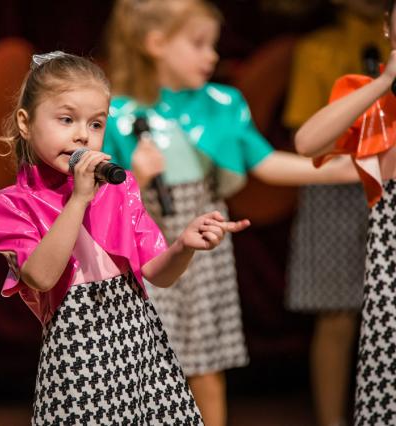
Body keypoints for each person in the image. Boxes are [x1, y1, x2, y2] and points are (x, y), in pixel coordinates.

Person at [103, 1, 358, 425]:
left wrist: (348, 170)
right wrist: (136, 177)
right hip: (143, 246)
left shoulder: (223, 103)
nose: (212, 56)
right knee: (143, 363)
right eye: (199, 44)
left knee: (205, 366)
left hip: (203, 248)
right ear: (155, 43)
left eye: (213, 45)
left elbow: (266, 162)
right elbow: (96, 203)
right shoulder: (117, 113)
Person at [0, 51, 250, 425]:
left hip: (142, 353)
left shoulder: (119, 190)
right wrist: (79, 198)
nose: (81, 135)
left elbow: (159, 273)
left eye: (95, 124)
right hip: (81, 362)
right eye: (66, 119)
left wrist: (184, 245)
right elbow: (41, 276)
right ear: (25, 123)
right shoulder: (8, 206)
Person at [283, 1, 388, 425]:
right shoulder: (318, 48)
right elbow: (303, 135)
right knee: (337, 313)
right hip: (337, 186)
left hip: (386, 183)